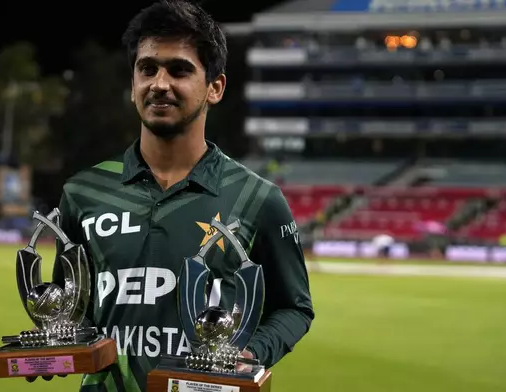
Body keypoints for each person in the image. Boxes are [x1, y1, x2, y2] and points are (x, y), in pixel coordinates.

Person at [51, 1, 314, 390]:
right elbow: (69, 306)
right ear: (133, 85)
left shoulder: (258, 199)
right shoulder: (82, 193)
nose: (160, 83)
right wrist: (58, 344)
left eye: (179, 69)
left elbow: (294, 307)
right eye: (147, 69)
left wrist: (252, 352)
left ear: (215, 88)